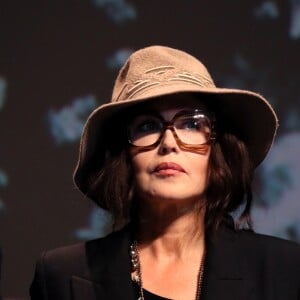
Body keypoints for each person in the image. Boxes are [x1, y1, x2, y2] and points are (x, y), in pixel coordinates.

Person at [30, 45, 300, 300]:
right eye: (148, 126)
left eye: (192, 124)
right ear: (122, 155)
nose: (169, 142)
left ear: (218, 151)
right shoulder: (62, 276)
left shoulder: (284, 270)